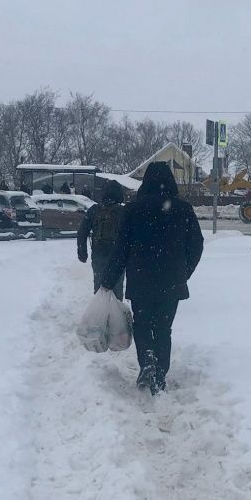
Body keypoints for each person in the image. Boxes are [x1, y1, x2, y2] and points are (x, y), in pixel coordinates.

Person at [101, 162, 204, 394]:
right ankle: (160, 373)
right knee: (164, 328)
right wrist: (184, 272)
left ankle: (147, 361)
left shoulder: (133, 210)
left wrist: (108, 280)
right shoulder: (183, 209)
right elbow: (196, 245)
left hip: (141, 280)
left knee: (143, 325)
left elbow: (121, 249)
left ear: (145, 182)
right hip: (172, 282)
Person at [77, 179, 126, 300]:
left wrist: (82, 252)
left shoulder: (94, 210)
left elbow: (82, 231)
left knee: (99, 286)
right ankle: (115, 314)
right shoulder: (123, 211)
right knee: (117, 287)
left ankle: (99, 313)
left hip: (99, 253)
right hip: (118, 255)